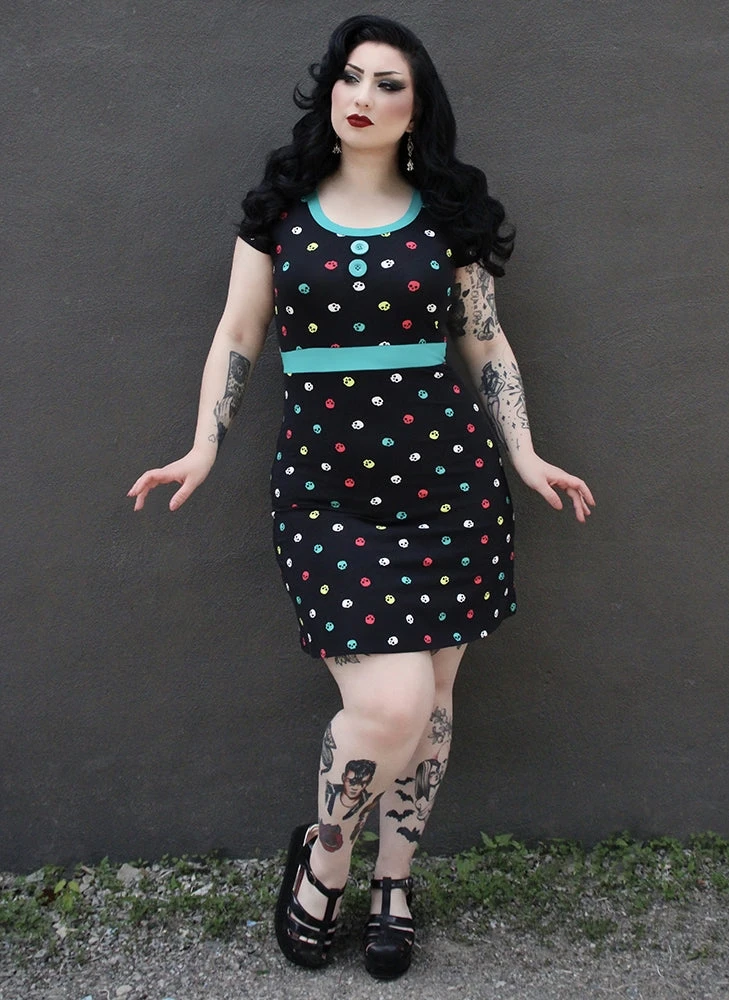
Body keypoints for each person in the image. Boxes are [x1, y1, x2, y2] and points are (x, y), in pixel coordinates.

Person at [128, 13, 595, 980]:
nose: (364, 97)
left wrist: (523, 452)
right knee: (390, 701)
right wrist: (204, 446)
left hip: (450, 481)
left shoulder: (451, 216)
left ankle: (394, 880)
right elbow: (238, 333)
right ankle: (326, 855)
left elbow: (485, 342)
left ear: (416, 110)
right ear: (328, 90)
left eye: (389, 84)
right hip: (326, 487)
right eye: (351, 76)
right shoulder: (278, 212)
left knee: (435, 699)